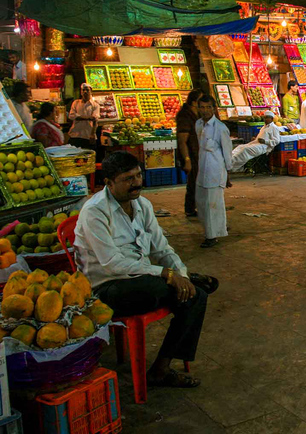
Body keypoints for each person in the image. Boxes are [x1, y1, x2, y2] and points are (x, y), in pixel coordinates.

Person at [75, 151, 208, 389]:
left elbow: (161, 248)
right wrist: (166, 274)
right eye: (128, 179)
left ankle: (160, 368)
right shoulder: (94, 211)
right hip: (107, 288)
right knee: (159, 288)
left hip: (142, 278)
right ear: (109, 183)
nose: (137, 183)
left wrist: (182, 275)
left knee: (197, 296)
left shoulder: (143, 205)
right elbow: (112, 263)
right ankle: (182, 284)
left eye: (138, 175)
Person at [195, 95, 233, 248]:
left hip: (215, 171)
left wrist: (228, 173)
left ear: (214, 108)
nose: (205, 111)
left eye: (208, 107)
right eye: (202, 107)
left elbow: (227, 152)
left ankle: (212, 236)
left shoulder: (220, 128)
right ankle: (215, 229)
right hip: (202, 169)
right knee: (202, 204)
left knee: (213, 205)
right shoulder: (198, 125)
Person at [176, 89, 203, 217]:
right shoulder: (185, 116)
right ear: (194, 102)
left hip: (198, 153)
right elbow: (182, 140)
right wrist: (186, 160)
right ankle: (190, 209)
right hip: (190, 154)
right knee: (193, 182)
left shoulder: (197, 114)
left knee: (197, 181)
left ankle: (194, 207)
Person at [68, 83, 100, 149]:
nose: (85, 92)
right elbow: (71, 116)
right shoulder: (76, 103)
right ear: (81, 92)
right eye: (83, 90)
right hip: (75, 135)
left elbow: (95, 119)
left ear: (91, 92)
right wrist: (88, 117)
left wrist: (93, 134)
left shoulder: (95, 105)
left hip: (88, 136)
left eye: (87, 90)